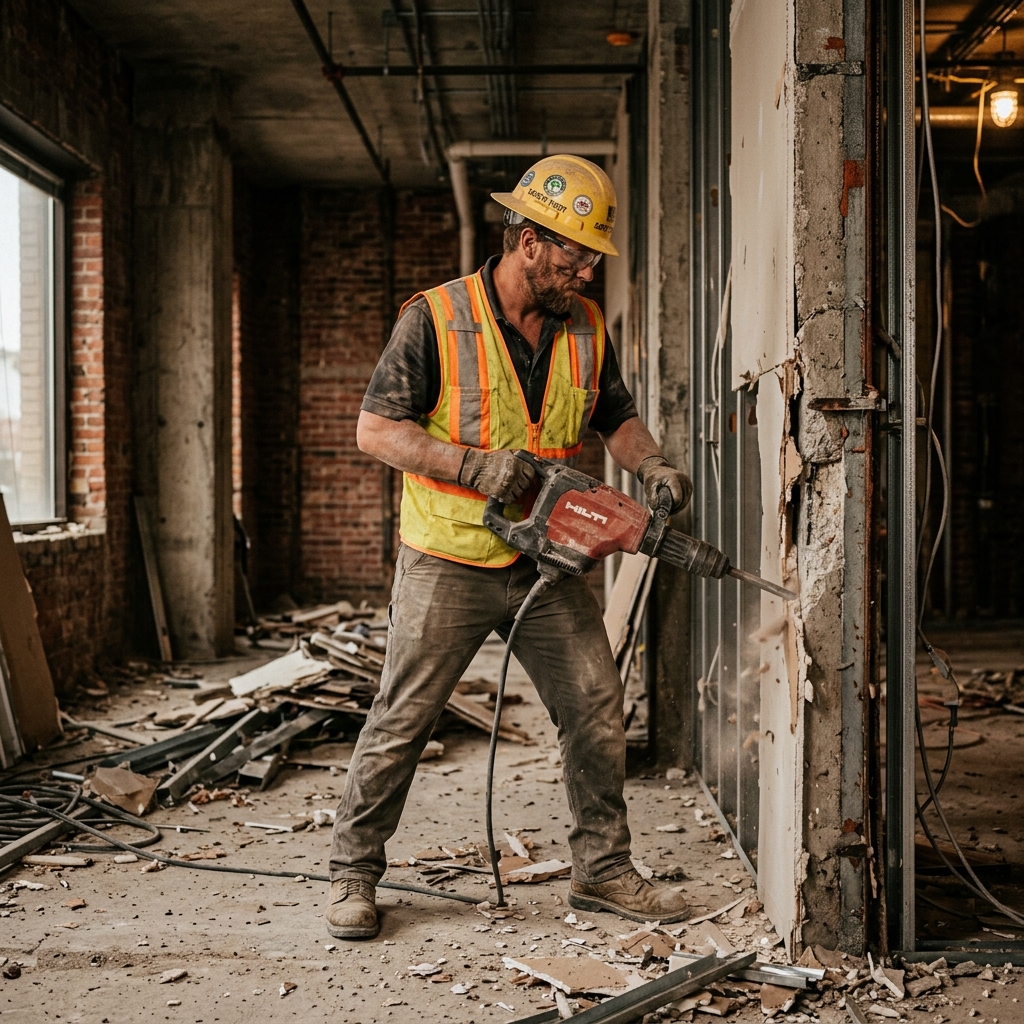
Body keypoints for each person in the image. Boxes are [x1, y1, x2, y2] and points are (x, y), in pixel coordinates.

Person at [327, 155, 693, 940]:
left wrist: (653, 462)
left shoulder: (586, 326)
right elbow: (375, 430)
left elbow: (614, 417)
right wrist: (468, 464)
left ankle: (601, 872)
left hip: (547, 561)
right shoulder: (434, 318)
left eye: (594, 255)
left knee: (596, 709)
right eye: (575, 254)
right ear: (528, 240)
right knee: (403, 718)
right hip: (447, 557)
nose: (589, 270)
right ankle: (353, 873)